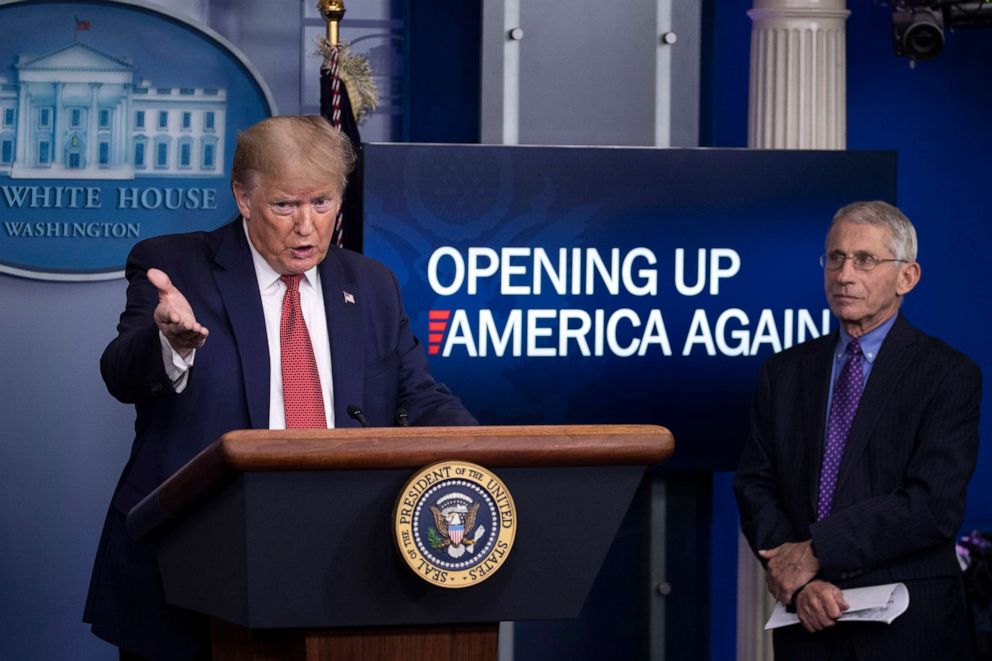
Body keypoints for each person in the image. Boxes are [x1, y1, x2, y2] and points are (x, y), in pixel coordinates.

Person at [83, 115, 476, 659]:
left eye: (323, 203)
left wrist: (483, 455)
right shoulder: (175, 266)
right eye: (286, 205)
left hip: (344, 556)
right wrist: (168, 341)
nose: (307, 227)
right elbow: (120, 373)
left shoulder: (371, 284)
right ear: (244, 197)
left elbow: (421, 396)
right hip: (194, 564)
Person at [734, 201, 981, 660]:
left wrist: (816, 551)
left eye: (865, 260)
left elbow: (932, 504)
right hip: (806, 622)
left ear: (907, 277)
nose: (845, 274)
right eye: (835, 257)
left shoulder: (947, 374)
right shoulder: (783, 372)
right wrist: (802, 582)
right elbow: (756, 484)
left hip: (908, 632)